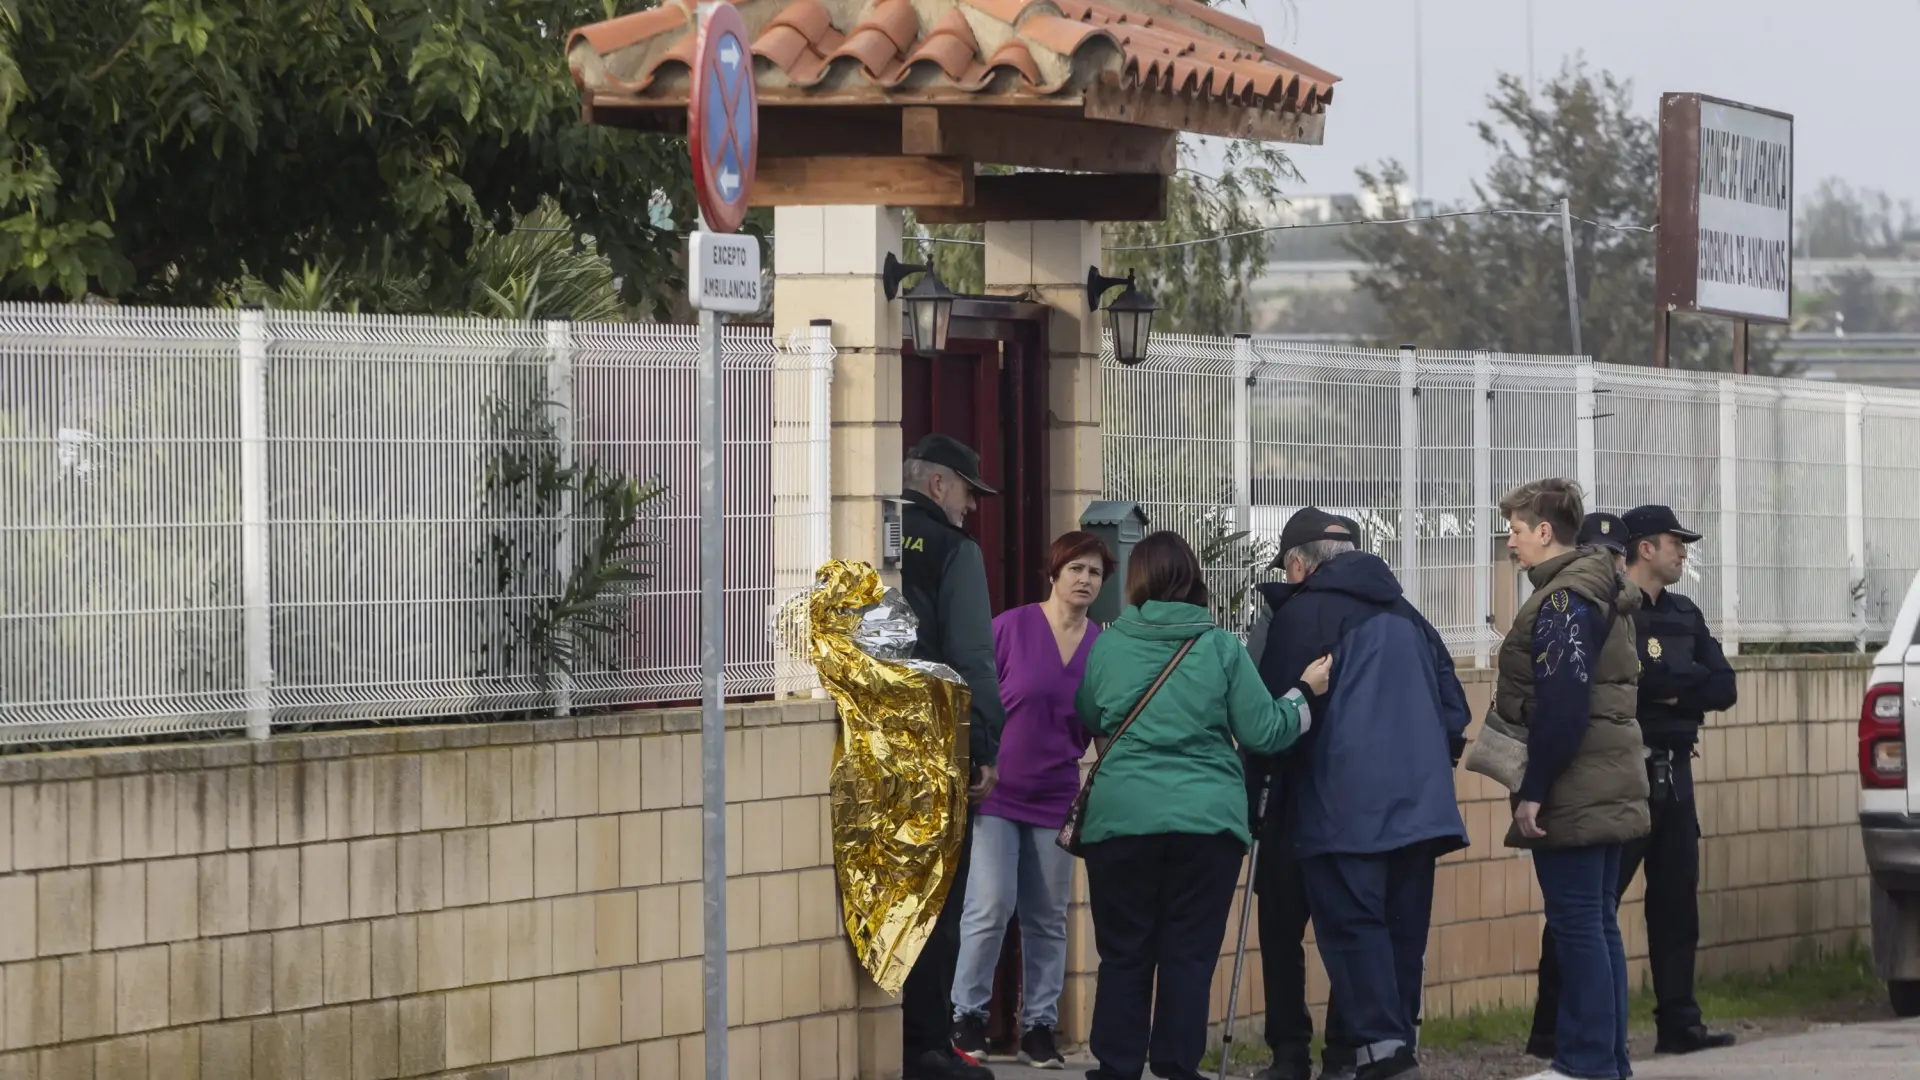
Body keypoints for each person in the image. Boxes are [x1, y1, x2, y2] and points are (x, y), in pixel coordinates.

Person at [1074, 531, 1331, 1080]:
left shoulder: (1110, 643)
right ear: (1192, 579)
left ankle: (1117, 1065)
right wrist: (1304, 692)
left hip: (1121, 821)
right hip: (1207, 826)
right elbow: (1265, 731)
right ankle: (1175, 1065)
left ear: (1138, 580)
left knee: (1124, 952)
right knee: (1188, 953)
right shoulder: (1220, 648)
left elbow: (1091, 716)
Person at [1247, 508, 1471, 1080]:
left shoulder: (1302, 614)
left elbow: (1272, 720)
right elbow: (1455, 712)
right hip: (1421, 810)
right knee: (1400, 933)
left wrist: (1258, 799)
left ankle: (1383, 1057)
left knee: (1352, 929)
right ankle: (1373, 1053)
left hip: (1341, 808)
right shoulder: (1410, 615)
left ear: (1298, 565)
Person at [1527, 505, 1738, 1061]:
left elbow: (1723, 686)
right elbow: (1628, 691)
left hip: (1675, 769)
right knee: (1589, 911)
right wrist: (1675, 684)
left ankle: (1679, 1021)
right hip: (1627, 772)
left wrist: (1672, 684)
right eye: (1676, 542)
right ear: (1645, 547)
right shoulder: (1611, 612)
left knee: (1675, 903)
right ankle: (1552, 1028)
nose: (1684, 551)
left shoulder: (1685, 613)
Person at [1497, 479, 1650, 1080]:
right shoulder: (1596, 590)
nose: (1509, 540)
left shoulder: (1562, 601)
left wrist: (1534, 788)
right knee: (1596, 921)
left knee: (1577, 923)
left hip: (1577, 785)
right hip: (1607, 777)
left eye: (1515, 528)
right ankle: (1607, 1060)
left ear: (1544, 532)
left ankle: (1586, 1061)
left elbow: (1562, 705)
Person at [950, 531, 1115, 1070]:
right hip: (997, 792)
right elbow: (974, 697)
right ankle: (967, 1015)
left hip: (1057, 797)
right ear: (1054, 573)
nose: (1085, 580)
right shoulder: (1011, 628)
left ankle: (1040, 1026)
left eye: (1094, 572)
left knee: (1047, 915)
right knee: (990, 904)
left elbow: (1103, 729)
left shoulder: (1101, 647)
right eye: (1076, 570)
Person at [898, 433, 1008, 1080]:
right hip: (938, 746)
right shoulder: (952, 549)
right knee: (939, 900)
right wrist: (983, 747)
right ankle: (929, 1047)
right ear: (939, 485)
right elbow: (973, 660)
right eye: (968, 492)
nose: (971, 506)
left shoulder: (870, 528)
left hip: (874, 743)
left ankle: (896, 1038)